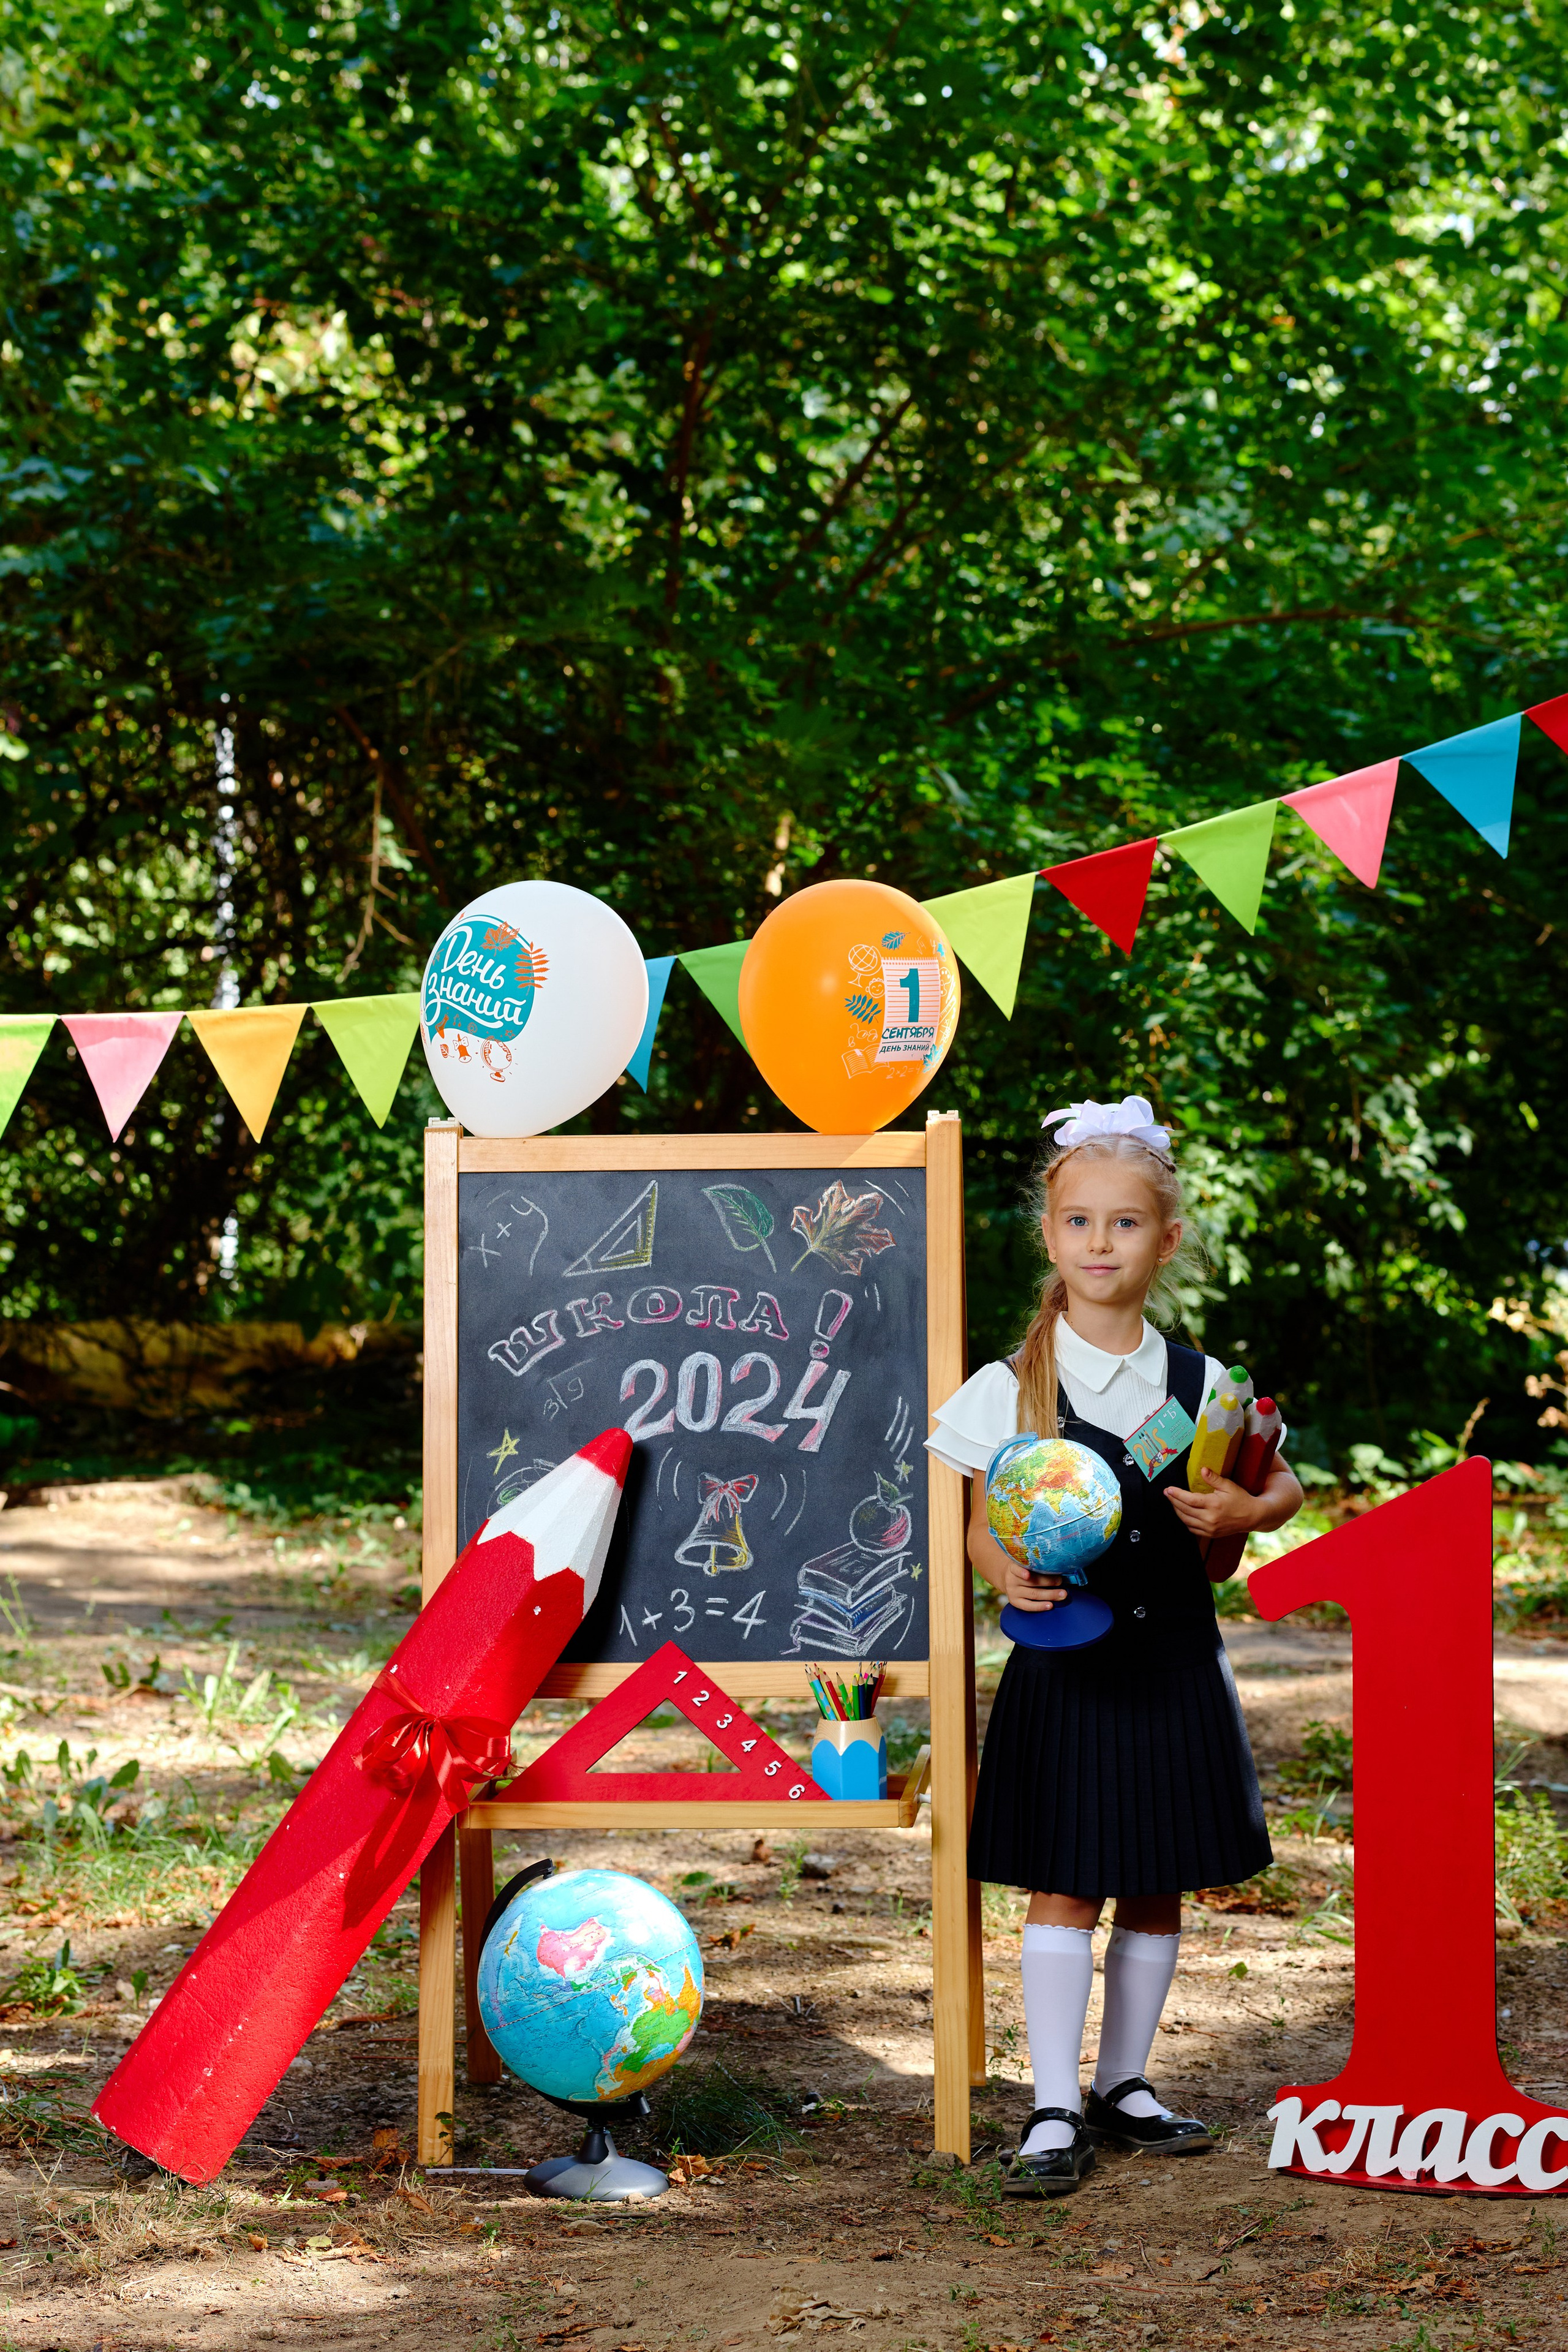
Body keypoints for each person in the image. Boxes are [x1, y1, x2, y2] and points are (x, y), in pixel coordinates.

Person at [925, 1095, 1303, 2195]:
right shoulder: (1013, 1385)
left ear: (1167, 1240)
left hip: (1176, 1657)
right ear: (1050, 1236)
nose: (1102, 1242)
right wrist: (1002, 1570)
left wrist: (1248, 1513)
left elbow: (1278, 1481)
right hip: (1067, 1664)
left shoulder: (1205, 1383)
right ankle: (1053, 2106)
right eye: (1080, 1222)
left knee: (1156, 1881)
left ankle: (1123, 2084)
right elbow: (973, 1524)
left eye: (1126, 1223)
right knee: (1066, 1883)